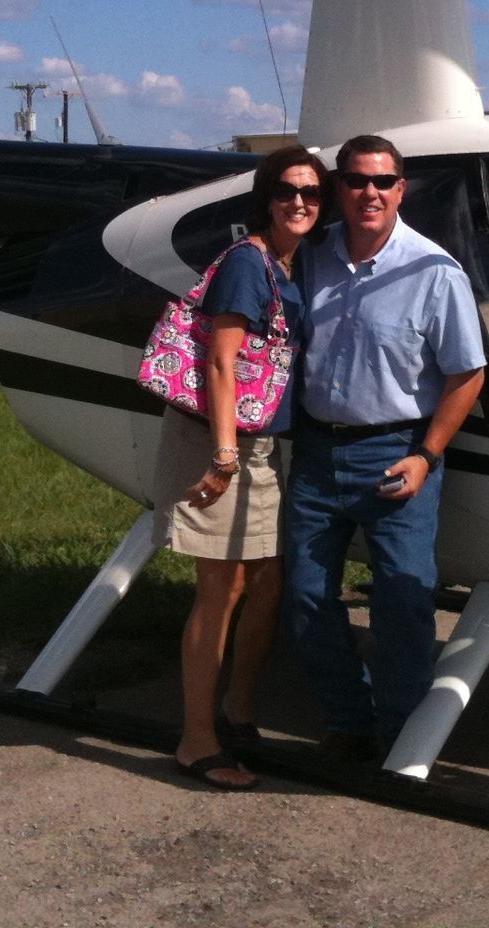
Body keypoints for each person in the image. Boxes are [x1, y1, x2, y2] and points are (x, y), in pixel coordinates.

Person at [284, 134, 486, 761]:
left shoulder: (435, 272)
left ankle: (401, 736)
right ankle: (348, 721)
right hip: (318, 454)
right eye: (355, 181)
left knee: (403, 597)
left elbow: (467, 374)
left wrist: (426, 455)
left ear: (402, 190)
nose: (369, 192)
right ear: (338, 189)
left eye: (383, 181)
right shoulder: (309, 258)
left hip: (396, 451)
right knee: (305, 595)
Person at [152, 144, 326, 790]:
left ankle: (238, 708)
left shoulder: (290, 263)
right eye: (286, 191)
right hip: (222, 444)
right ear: (266, 198)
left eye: (311, 192)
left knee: (267, 584)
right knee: (220, 592)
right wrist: (224, 457)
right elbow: (220, 362)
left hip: (260, 445)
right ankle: (195, 741)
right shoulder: (249, 265)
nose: (300, 202)